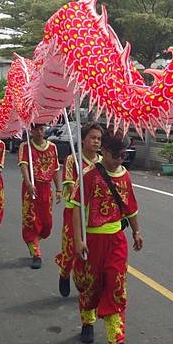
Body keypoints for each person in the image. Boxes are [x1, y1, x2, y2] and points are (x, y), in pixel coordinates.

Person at [71, 131, 143, 344]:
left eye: (123, 156)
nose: (119, 160)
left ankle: (116, 340)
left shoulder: (125, 176)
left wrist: (136, 231)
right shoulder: (89, 175)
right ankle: (87, 321)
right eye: (116, 155)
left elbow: (130, 206)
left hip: (116, 240)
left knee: (115, 284)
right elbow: (75, 207)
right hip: (93, 239)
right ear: (104, 151)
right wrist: (78, 239)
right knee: (92, 285)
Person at [55, 122, 103, 297]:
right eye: (92, 138)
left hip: (95, 215)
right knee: (71, 250)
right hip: (74, 212)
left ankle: (88, 284)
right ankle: (64, 273)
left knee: (93, 252)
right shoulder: (72, 160)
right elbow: (68, 187)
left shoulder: (102, 163)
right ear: (83, 139)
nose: (96, 142)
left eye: (99, 139)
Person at [18, 123, 61, 269]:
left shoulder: (52, 147)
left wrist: (59, 189)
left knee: (47, 224)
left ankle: (34, 241)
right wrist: (28, 182)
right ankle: (36, 253)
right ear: (31, 130)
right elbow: (23, 165)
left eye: (42, 129)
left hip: (46, 189)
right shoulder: (26, 147)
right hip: (32, 188)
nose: (39, 132)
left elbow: (55, 170)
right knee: (31, 220)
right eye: (36, 129)